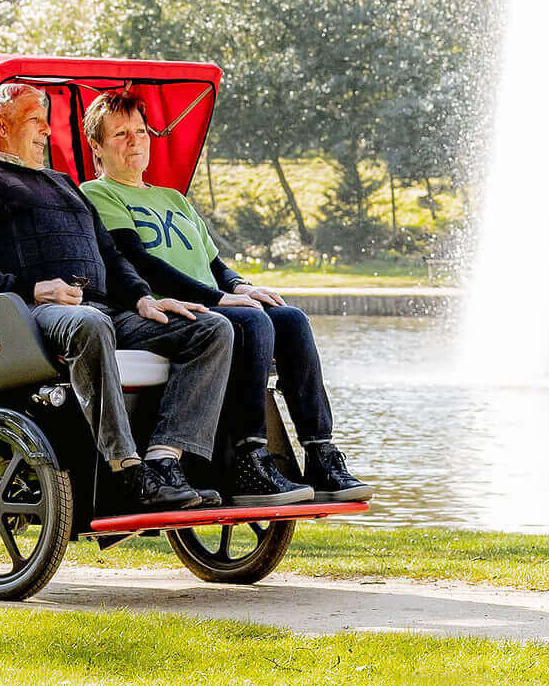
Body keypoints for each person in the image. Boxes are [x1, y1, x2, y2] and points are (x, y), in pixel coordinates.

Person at [0, 80, 232, 516]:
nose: (47, 132)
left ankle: (165, 461)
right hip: (29, 315)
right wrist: (32, 289)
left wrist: (144, 299)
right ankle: (125, 469)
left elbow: (110, 256)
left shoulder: (63, 182)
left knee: (211, 330)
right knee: (90, 323)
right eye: (36, 119)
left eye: (47, 121)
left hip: (103, 309)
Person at [79, 87, 360, 501]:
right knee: (250, 320)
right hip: (158, 311)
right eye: (121, 134)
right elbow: (139, 263)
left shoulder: (171, 197)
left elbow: (212, 262)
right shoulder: (97, 194)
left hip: (207, 302)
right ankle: (249, 458)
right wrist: (217, 300)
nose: (135, 141)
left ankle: (319, 453)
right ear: (97, 147)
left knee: (291, 319)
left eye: (141, 131)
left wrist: (238, 285)